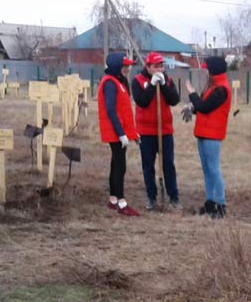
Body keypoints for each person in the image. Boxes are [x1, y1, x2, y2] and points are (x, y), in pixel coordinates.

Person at [131, 52, 182, 210]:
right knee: (148, 166)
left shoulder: (167, 79)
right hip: (146, 131)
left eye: (161, 65)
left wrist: (164, 86)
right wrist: (152, 86)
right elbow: (142, 101)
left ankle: (174, 197)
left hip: (165, 130)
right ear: (148, 67)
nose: (160, 68)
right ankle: (151, 197)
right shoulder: (137, 81)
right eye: (156, 66)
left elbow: (174, 100)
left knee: (168, 164)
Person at [184, 56, 231, 219]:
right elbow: (203, 107)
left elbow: (204, 107)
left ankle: (220, 204)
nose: (205, 72)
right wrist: (191, 108)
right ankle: (210, 202)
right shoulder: (213, 87)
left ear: (213, 71)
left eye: (207, 69)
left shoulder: (221, 89)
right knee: (207, 170)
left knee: (214, 169)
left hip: (213, 134)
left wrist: (191, 93)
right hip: (203, 133)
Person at [97, 52, 140, 217]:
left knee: (116, 164)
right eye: (125, 66)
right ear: (116, 66)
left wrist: (132, 134)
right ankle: (122, 203)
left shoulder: (117, 81)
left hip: (119, 131)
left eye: (128, 66)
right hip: (115, 131)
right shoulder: (110, 83)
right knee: (120, 166)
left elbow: (124, 111)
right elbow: (111, 110)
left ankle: (113, 199)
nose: (128, 69)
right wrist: (121, 133)